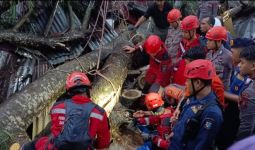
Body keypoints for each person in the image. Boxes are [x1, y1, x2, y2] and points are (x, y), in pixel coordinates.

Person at [27, 71, 111, 150]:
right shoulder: (99, 112)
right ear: (88, 90)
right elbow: (104, 142)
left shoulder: (58, 107)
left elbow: (55, 132)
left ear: (69, 92)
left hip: (57, 148)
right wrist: (92, 144)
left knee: (31, 145)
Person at [169, 59, 223, 150]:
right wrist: (175, 132)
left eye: (187, 81)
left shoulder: (212, 113)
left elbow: (202, 145)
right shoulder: (193, 97)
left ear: (198, 83)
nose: (185, 84)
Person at [217, 38, 254, 149]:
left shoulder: (250, 86)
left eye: (233, 52)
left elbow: (247, 126)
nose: (231, 55)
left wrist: (240, 145)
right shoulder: (238, 68)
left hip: (238, 119)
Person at [172, 15, 200, 86]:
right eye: (183, 32)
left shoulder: (199, 47)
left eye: (186, 32)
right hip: (178, 78)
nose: (183, 35)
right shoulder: (183, 42)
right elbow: (178, 58)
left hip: (188, 83)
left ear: (193, 30)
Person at [236, 45, 255, 141]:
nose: (239, 65)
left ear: (253, 66)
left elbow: (246, 127)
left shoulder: (249, 92)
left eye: (242, 62)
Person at [165, 8, 183, 83]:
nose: (170, 24)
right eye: (170, 22)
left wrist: (177, 61)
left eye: (172, 22)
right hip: (169, 59)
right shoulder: (171, 28)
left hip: (177, 62)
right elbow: (167, 41)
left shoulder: (184, 30)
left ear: (178, 20)